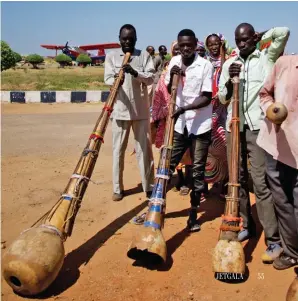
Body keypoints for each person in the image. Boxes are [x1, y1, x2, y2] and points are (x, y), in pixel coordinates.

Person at [218, 23, 290, 263]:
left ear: (253, 38)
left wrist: (263, 36)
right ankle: (245, 225)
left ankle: (273, 240)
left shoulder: (266, 57)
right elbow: (221, 97)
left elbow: (284, 32)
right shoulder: (229, 64)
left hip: (259, 128)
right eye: (238, 41)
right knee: (236, 179)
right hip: (234, 127)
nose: (241, 44)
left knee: (260, 182)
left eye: (246, 40)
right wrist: (230, 81)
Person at [165, 29, 213, 232]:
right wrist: (173, 79)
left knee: (197, 171)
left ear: (195, 45)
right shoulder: (174, 62)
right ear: (178, 45)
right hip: (180, 124)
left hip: (200, 125)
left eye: (189, 45)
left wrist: (185, 107)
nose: (185, 49)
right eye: (182, 45)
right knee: (168, 164)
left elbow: (207, 97)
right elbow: (170, 90)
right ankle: (156, 206)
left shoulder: (205, 65)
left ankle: (193, 212)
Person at [104, 24, 155, 202]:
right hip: (120, 111)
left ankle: (148, 186)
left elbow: (150, 78)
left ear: (135, 39)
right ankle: (118, 188)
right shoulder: (111, 56)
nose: (127, 42)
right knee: (118, 151)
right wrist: (118, 77)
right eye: (124, 38)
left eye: (130, 39)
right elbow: (108, 79)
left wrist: (135, 73)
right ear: (119, 39)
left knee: (145, 152)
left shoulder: (144, 55)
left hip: (140, 112)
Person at [257, 55, 298, 270]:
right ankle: (291, 252)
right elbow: (264, 94)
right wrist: (271, 109)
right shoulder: (284, 63)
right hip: (276, 145)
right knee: (282, 202)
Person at [203, 33, 233, 199]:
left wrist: (223, 57)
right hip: (209, 109)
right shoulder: (205, 63)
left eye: (217, 44)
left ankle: (223, 184)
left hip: (225, 109)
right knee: (208, 148)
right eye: (211, 44)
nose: (214, 47)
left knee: (224, 147)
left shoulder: (229, 61)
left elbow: (226, 80)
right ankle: (206, 184)